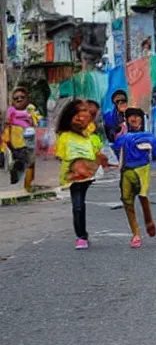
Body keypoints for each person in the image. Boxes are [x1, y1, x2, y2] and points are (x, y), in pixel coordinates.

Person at [54, 99, 108, 249]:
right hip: (74, 177)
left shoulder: (90, 135)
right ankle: (81, 236)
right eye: (78, 112)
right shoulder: (65, 136)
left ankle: (82, 235)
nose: (82, 115)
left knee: (80, 202)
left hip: (89, 174)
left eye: (85, 112)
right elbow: (60, 156)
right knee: (78, 205)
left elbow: (96, 152)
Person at [112, 108, 156, 248]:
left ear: (142, 119)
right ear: (126, 120)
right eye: (131, 117)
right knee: (127, 202)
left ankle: (148, 220)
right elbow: (116, 147)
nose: (134, 119)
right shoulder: (123, 137)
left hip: (142, 170)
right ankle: (135, 233)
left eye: (137, 117)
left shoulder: (149, 136)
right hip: (127, 171)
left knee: (143, 195)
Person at [3, 87, 41, 191]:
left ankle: (27, 183)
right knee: (22, 157)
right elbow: (7, 121)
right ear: (13, 100)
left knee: (29, 160)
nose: (19, 99)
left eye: (22, 97)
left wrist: (32, 116)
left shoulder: (31, 109)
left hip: (29, 135)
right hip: (17, 136)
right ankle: (16, 172)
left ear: (27, 98)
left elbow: (36, 122)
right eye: (16, 98)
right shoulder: (11, 109)